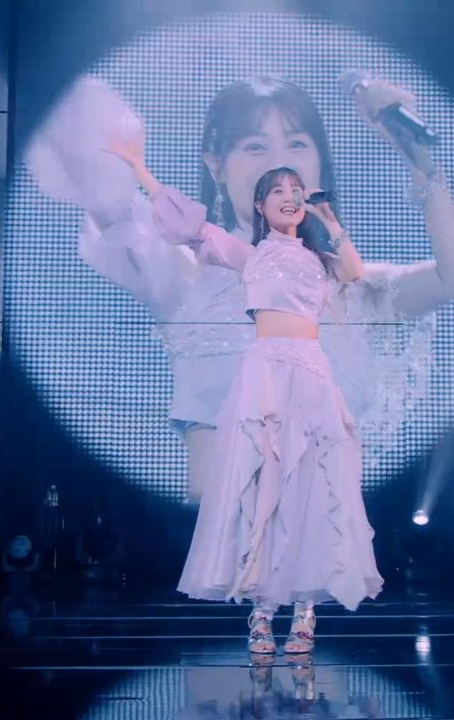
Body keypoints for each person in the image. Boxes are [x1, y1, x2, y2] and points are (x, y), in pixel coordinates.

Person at [26, 74, 454, 503]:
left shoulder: (355, 287)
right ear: (216, 164)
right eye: (255, 146)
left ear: (318, 164)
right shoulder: (187, 273)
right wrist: (101, 142)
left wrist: (422, 162)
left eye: (296, 144)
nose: (278, 163)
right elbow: (111, 203)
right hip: (222, 539)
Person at [109, 128, 381, 650]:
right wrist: (142, 173)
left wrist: (328, 220)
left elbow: (354, 271)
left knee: (313, 489)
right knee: (262, 491)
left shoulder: (319, 261)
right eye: (278, 190)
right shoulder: (249, 254)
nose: (289, 196)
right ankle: (262, 608)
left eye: (295, 189)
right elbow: (187, 226)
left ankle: (305, 609)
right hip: (264, 378)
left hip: (311, 376)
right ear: (260, 205)